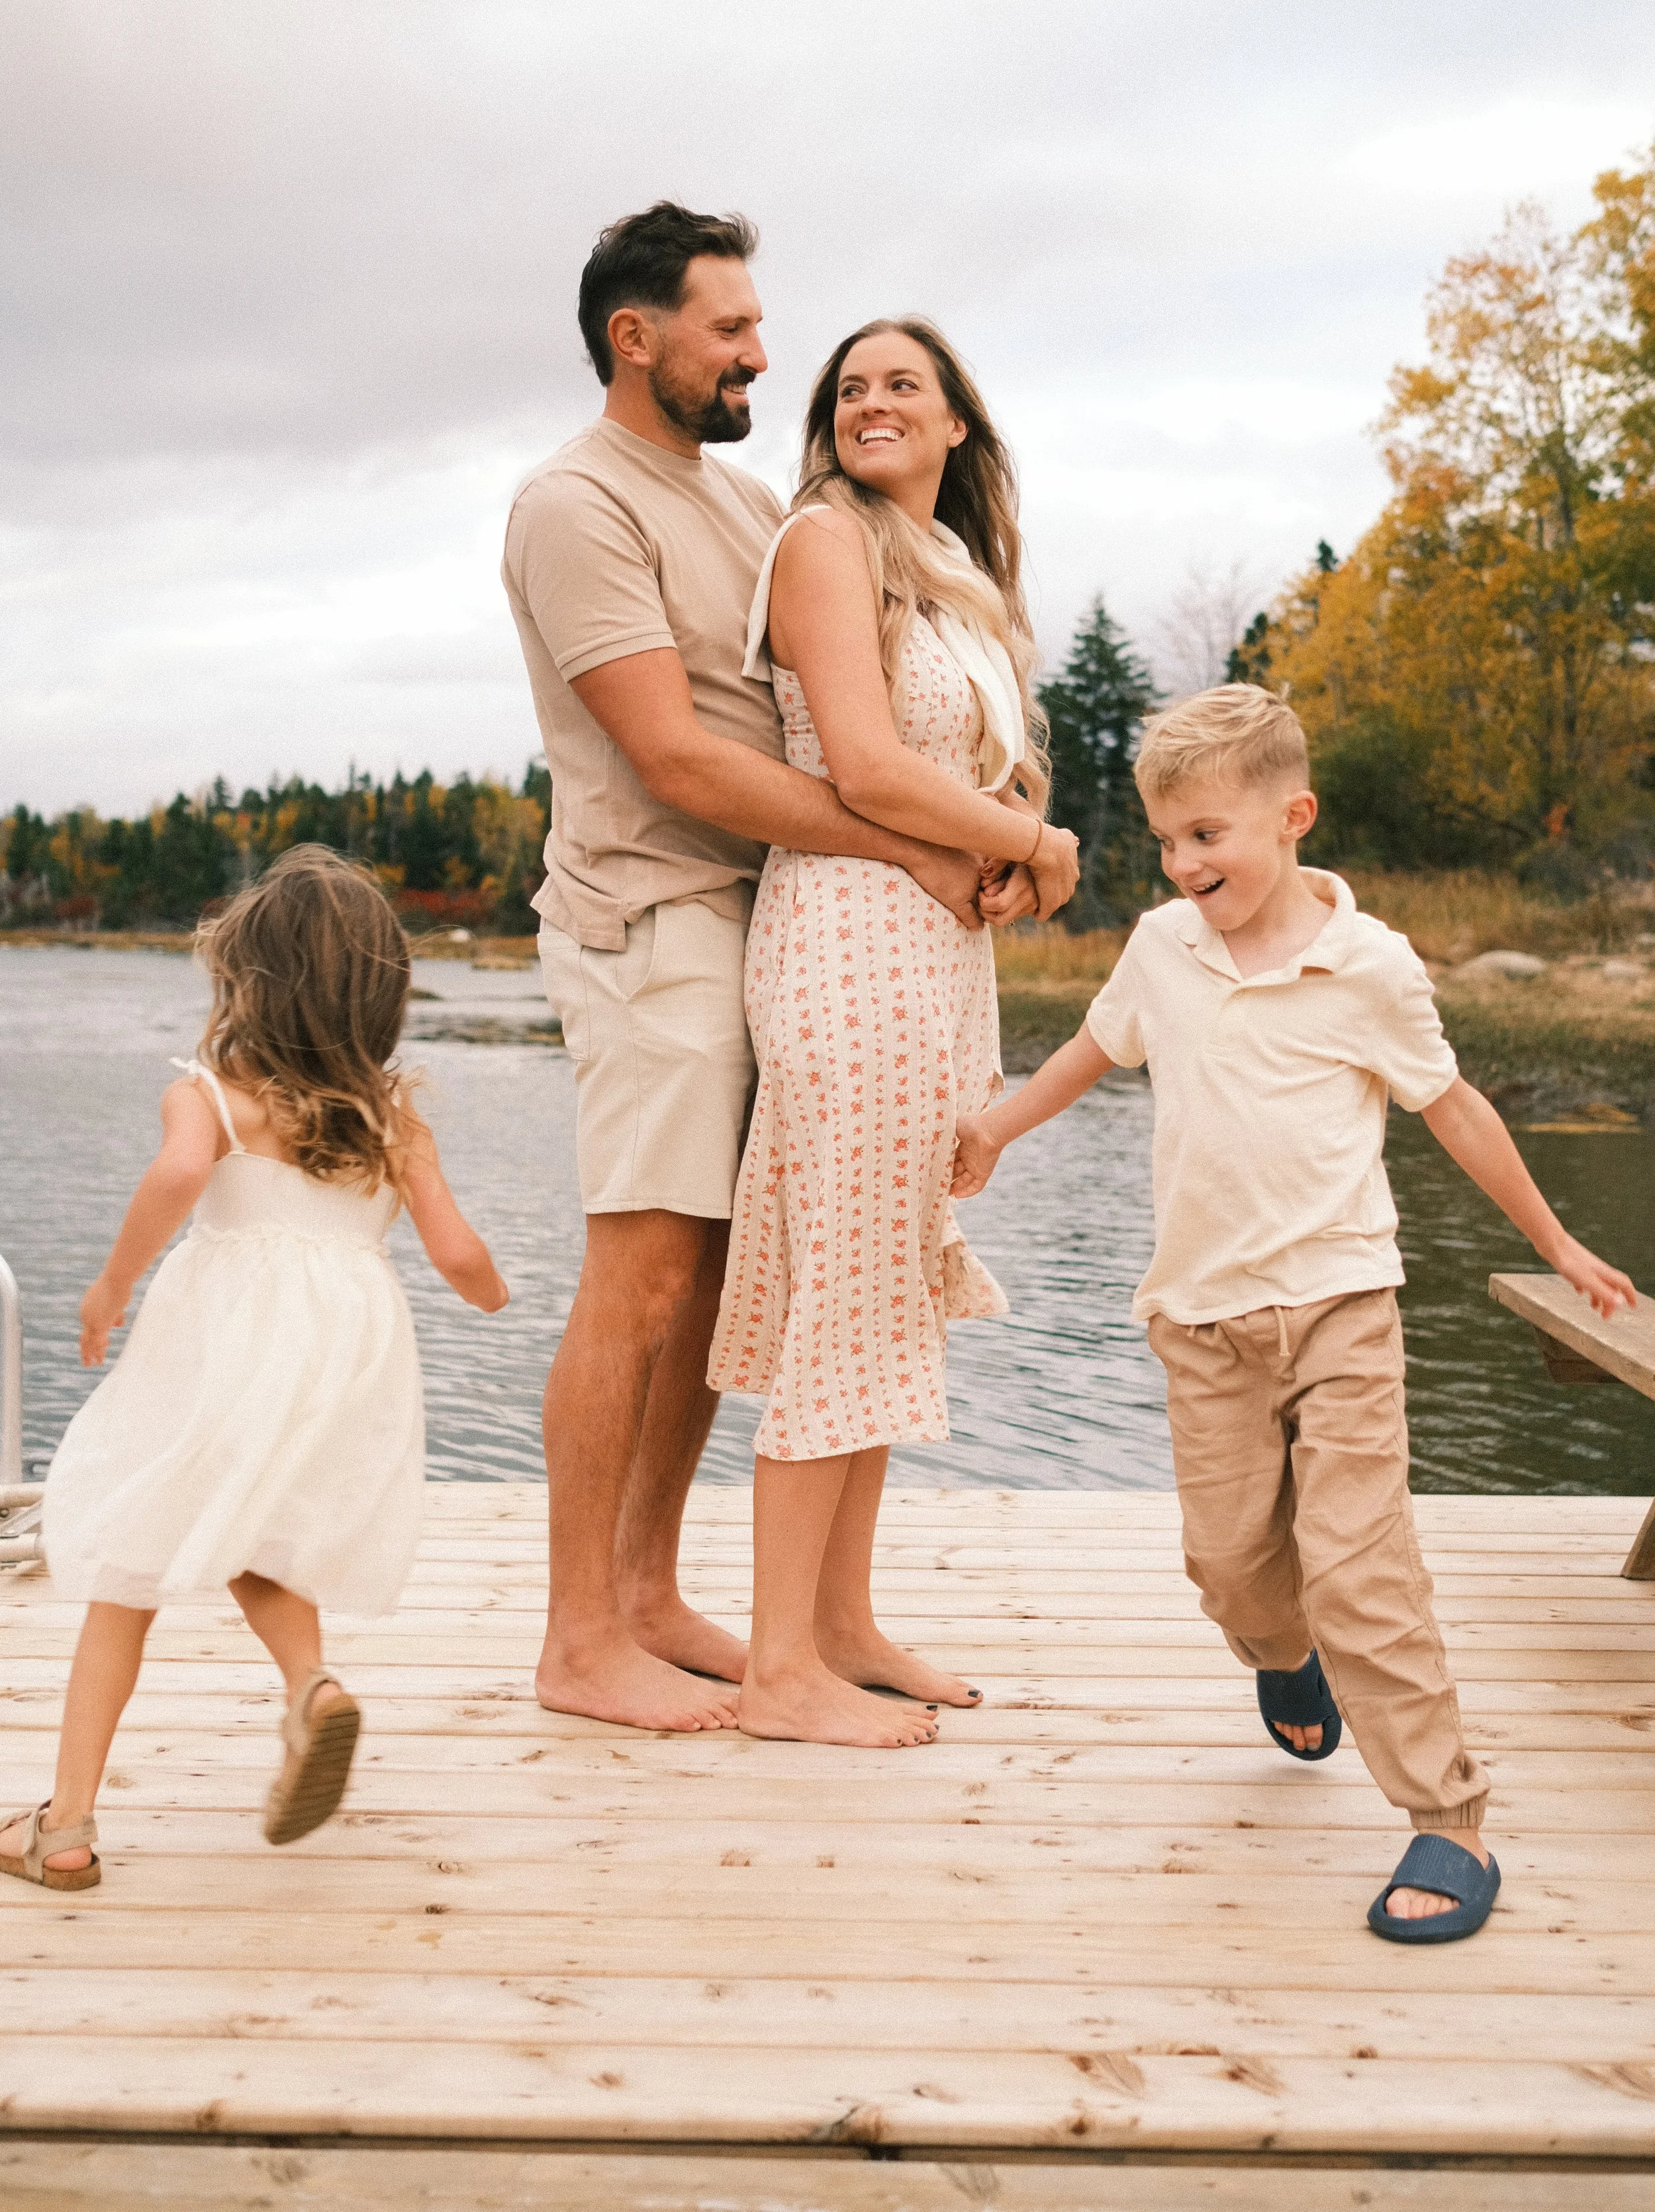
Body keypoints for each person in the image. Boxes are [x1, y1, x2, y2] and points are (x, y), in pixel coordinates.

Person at [950, 684, 1634, 1939]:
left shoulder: (1368, 963)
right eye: (1166, 839)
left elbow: (1457, 1108)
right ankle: (1284, 1657)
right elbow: (1094, 1051)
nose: (1182, 861)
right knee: (1231, 1570)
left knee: (1364, 1565)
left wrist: (1558, 1240)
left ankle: (1449, 1818)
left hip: (1338, 1306)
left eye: (1208, 833)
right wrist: (994, 1124)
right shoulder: (1162, 945)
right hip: (1202, 1319)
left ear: (1292, 816)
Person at [502, 206, 1006, 1735]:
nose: (760, 354)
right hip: (649, 919)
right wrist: (910, 850)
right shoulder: (575, 505)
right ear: (633, 337)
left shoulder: (735, 501)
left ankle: (651, 1594)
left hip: (769, 920)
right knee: (643, 1270)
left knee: (726, 1279)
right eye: (729, 328)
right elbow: (672, 758)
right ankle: (579, 1635)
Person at [708, 318, 1080, 1747]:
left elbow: (956, 771)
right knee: (841, 1293)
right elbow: (859, 765)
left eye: (900, 386)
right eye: (849, 388)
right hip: (844, 945)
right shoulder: (823, 542)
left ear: (954, 428)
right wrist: (1037, 845)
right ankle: (776, 1673)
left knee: (883, 1280)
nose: (871, 402)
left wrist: (1001, 849)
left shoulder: (961, 579)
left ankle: (842, 1627)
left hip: (934, 955)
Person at [0, 847, 506, 1892]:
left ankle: (68, 1824)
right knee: (256, 1525)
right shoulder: (391, 1109)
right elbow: (457, 1252)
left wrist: (110, 1284)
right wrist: (498, 1296)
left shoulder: (214, 1097)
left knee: (127, 1563)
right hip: (346, 1344)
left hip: (227, 1335)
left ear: (247, 981)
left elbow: (184, 1172)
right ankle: (310, 1687)